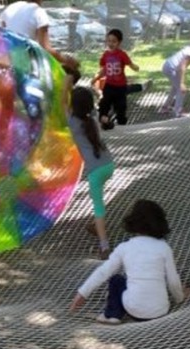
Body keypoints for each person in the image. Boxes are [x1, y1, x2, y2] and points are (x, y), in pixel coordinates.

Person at [69, 199, 190, 324]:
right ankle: (121, 311)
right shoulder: (164, 248)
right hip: (160, 310)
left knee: (116, 280)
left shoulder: (125, 247)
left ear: (133, 223)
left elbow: (103, 272)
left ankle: (112, 315)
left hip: (134, 310)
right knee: (155, 279)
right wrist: (180, 297)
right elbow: (173, 280)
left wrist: (82, 293)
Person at [67, 87, 115, 260]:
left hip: (95, 170)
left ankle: (104, 245)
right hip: (109, 165)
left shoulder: (73, 123)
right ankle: (96, 225)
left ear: (73, 106)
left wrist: (66, 85)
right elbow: (86, 104)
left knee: (98, 206)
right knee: (98, 199)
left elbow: (63, 103)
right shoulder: (93, 116)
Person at [0, 0, 78, 67]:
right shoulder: (38, 12)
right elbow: (46, 48)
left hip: (8, 62)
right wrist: (66, 60)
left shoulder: (10, 8)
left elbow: (4, 38)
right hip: (27, 65)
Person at [91, 29, 140, 130]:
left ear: (119, 42)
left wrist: (135, 67)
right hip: (109, 85)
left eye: (114, 41)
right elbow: (104, 69)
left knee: (121, 106)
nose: (111, 43)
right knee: (105, 103)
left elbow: (130, 64)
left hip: (120, 87)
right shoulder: (105, 55)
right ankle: (104, 119)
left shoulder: (122, 54)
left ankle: (121, 123)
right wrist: (96, 78)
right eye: (109, 41)